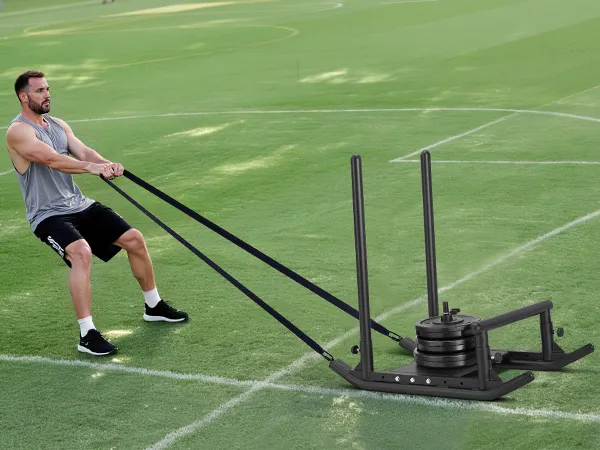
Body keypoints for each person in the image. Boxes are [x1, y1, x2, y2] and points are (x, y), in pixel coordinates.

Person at [5, 70, 188, 356]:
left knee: (135, 240)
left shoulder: (58, 125)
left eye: (48, 89)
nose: (47, 94)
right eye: (39, 91)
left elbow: (84, 152)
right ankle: (87, 334)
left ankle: (153, 306)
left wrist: (106, 164)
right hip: (48, 215)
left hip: (79, 204)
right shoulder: (18, 132)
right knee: (81, 252)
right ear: (23, 97)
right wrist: (91, 168)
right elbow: (51, 159)